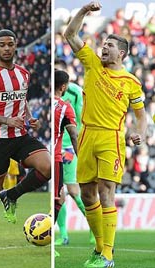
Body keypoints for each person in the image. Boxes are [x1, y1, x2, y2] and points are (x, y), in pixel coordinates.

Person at [64, 2, 147, 267]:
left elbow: (141, 115)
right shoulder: (91, 64)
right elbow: (70, 35)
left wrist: (138, 134)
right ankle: (99, 249)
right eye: (104, 43)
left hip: (111, 137)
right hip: (87, 135)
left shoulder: (132, 82)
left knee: (106, 192)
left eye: (110, 45)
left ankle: (108, 255)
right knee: (87, 195)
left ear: (121, 53)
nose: (104, 47)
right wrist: (84, 11)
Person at [0, 29, 51, 241]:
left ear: (15, 46)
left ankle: (11, 195)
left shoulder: (23, 73)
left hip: (20, 134)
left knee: (48, 167)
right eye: (2, 44)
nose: (6, 48)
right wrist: (6, 120)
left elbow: (21, 101)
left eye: (10, 44)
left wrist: (30, 117)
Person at [56, 80, 95, 246]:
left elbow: (83, 118)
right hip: (56, 147)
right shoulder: (54, 96)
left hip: (70, 148)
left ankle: (94, 229)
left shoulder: (75, 92)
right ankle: (63, 235)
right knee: (58, 192)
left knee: (73, 189)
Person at [53, 70, 78, 227]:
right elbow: (74, 135)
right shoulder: (64, 107)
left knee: (60, 196)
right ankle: (47, 233)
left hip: (38, 154)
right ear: (63, 87)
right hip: (57, 156)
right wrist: (80, 156)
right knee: (59, 197)